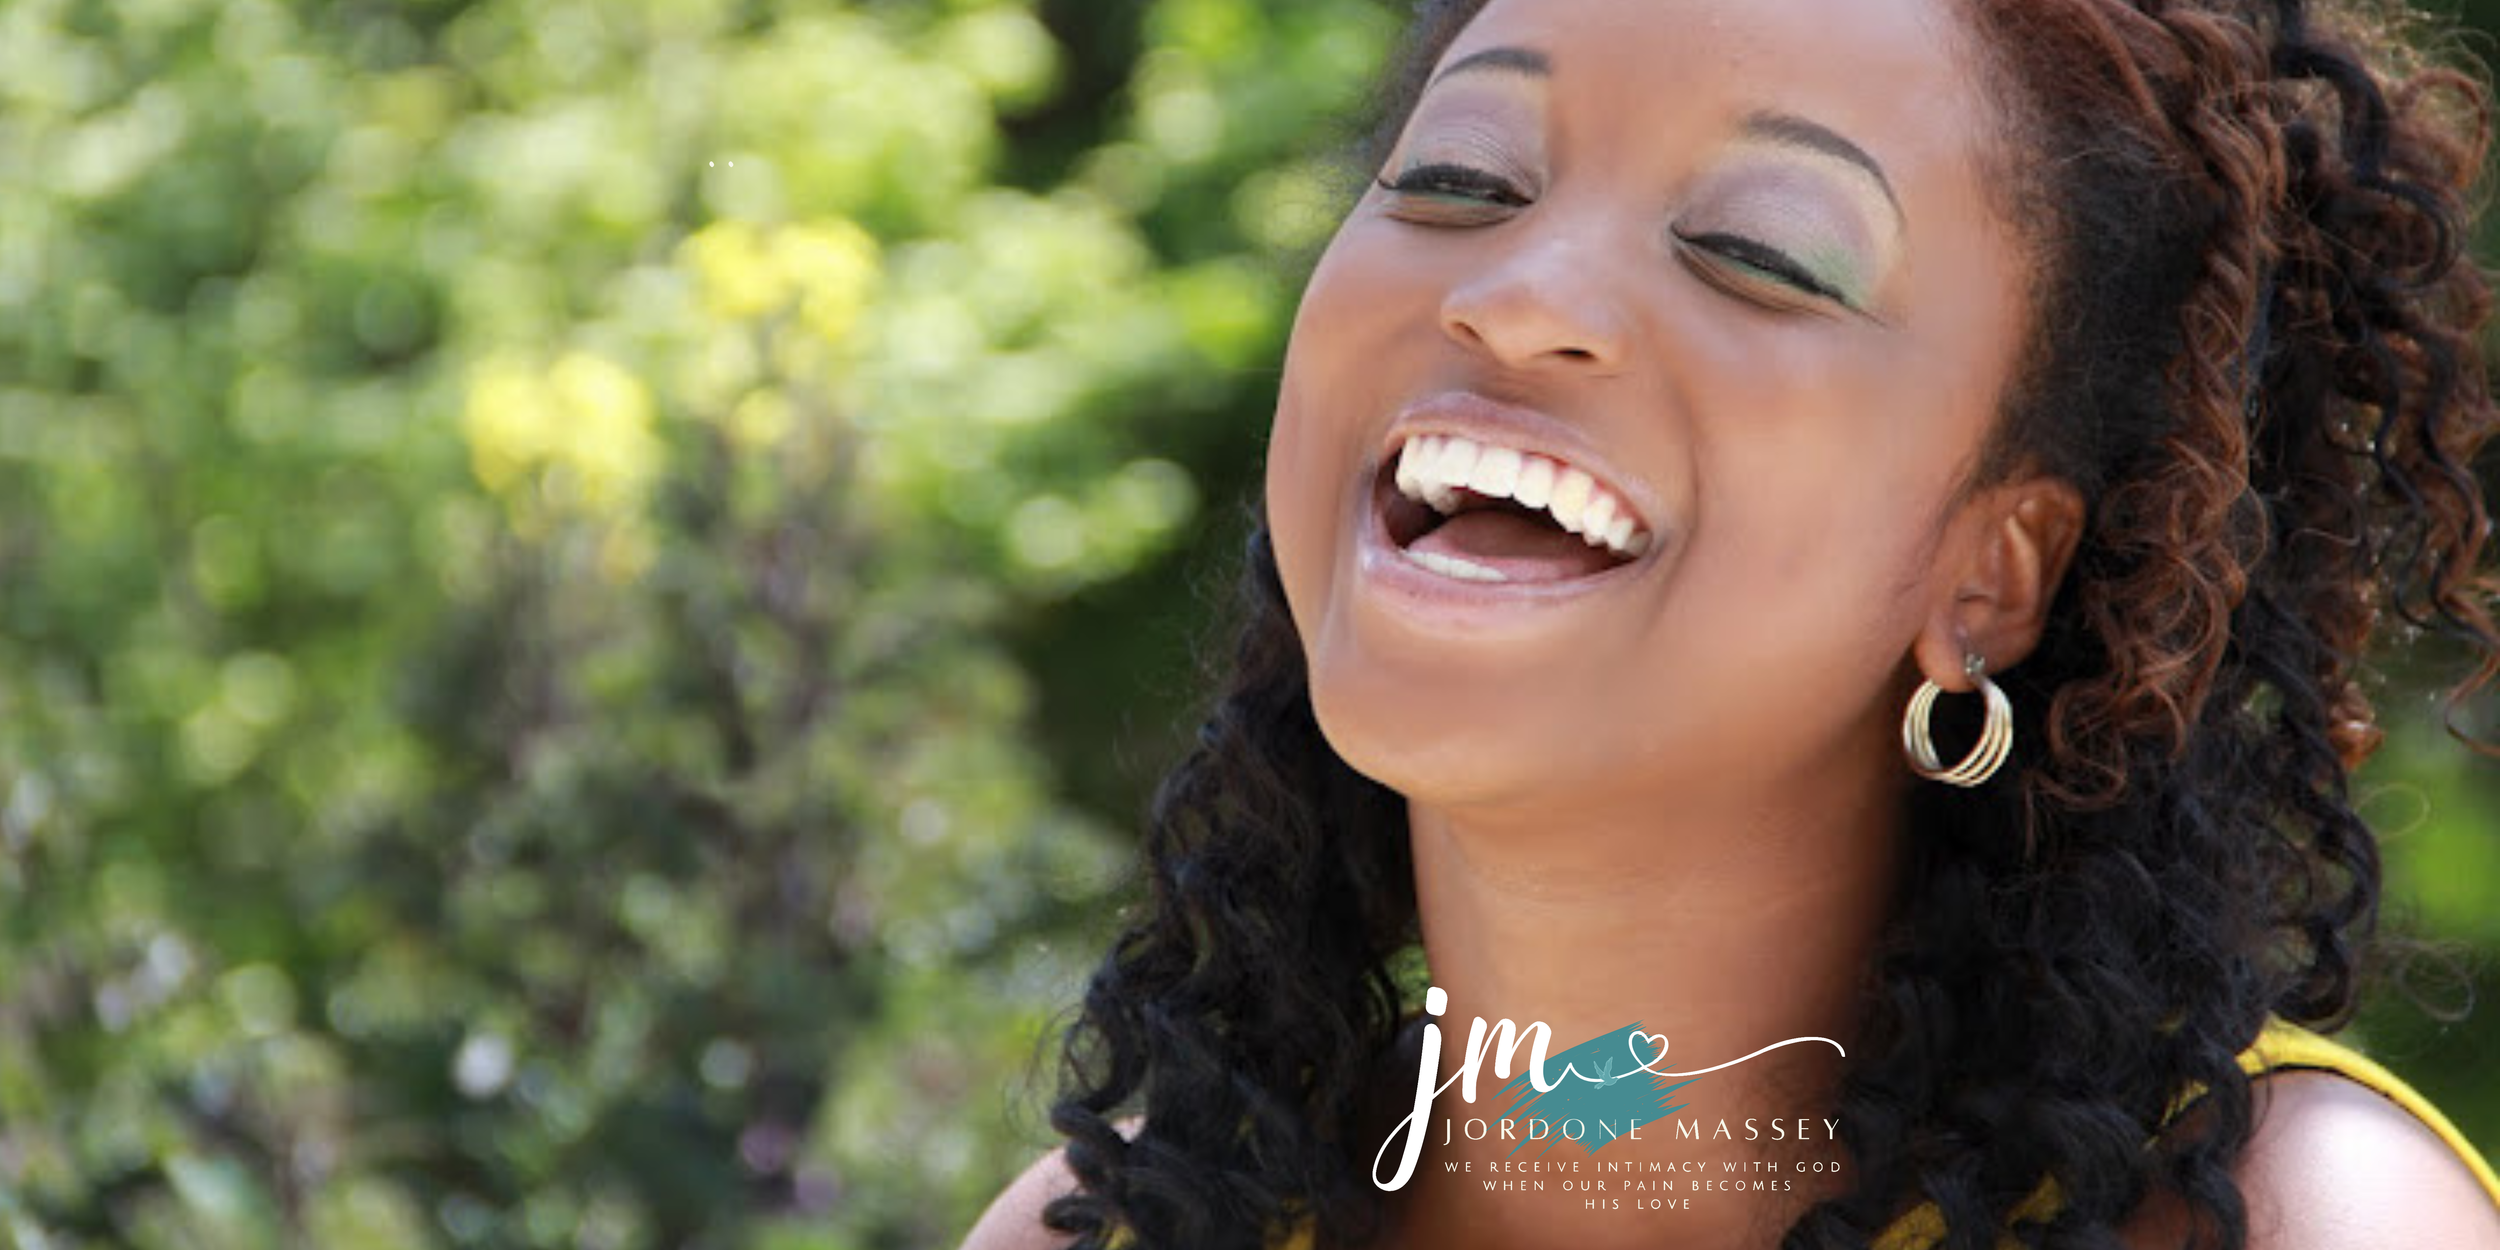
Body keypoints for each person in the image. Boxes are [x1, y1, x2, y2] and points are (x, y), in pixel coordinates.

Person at [962, 0, 2500, 1246]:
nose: (1518, 291)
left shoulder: (2296, 1224)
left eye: (1761, 253)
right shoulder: (1120, 1225)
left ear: (1993, 571)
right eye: (1464, 179)